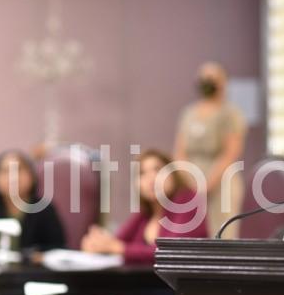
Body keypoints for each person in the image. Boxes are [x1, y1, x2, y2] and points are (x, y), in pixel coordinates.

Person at [81, 149, 208, 263]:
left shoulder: (189, 200)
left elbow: (170, 251)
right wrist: (97, 243)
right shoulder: (145, 213)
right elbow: (116, 241)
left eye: (157, 169)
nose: (151, 178)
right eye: (142, 173)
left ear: (173, 174)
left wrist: (118, 248)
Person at [174, 62, 246, 238]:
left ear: (224, 82)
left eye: (213, 78)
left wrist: (206, 185)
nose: (207, 81)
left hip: (221, 181)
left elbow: (230, 153)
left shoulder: (231, 114)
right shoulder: (189, 113)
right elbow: (179, 151)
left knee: (222, 233)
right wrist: (191, 182)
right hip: (191, 181)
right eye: (204, 78)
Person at [0, 149, 65, 252]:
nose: (13, 177)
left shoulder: (43, 208)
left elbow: (58, 247)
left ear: (32, 176)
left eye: (19, 170)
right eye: (6, 171)